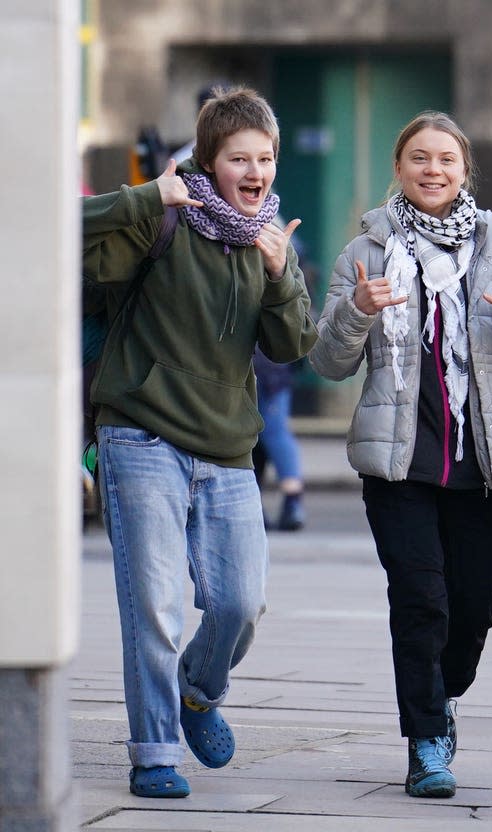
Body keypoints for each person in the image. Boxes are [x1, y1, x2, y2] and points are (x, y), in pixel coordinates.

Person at [82, 86, 317, 798]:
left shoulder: (270, 239)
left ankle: (197, 692)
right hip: (140, 437)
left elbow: (294, 342)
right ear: (209, 164)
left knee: (240, 602)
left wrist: (280, 278)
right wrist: (146, 197)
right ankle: (154, 750)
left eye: (266, 158)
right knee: (154, 604)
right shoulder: (165, 216)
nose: (256, 171)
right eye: (239, 158)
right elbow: (63, 232)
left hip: (226, 451)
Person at [309, 111, 492, 799]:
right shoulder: (365, 254)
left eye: (446, 158)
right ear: (400, 167)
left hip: (479, 464)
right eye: (419, 157)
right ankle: (425, 744)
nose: (433, 169)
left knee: (474, 603)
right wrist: (355, 308)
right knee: (421, 601)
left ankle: (441, 696)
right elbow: (328, 362)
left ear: (465, 169)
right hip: (399, 465)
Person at [252, 346, 306, 530]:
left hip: (263, 368)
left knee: (273, 433)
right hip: (272, 366)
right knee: (259, 437)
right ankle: (288, 503)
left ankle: (292, 502)